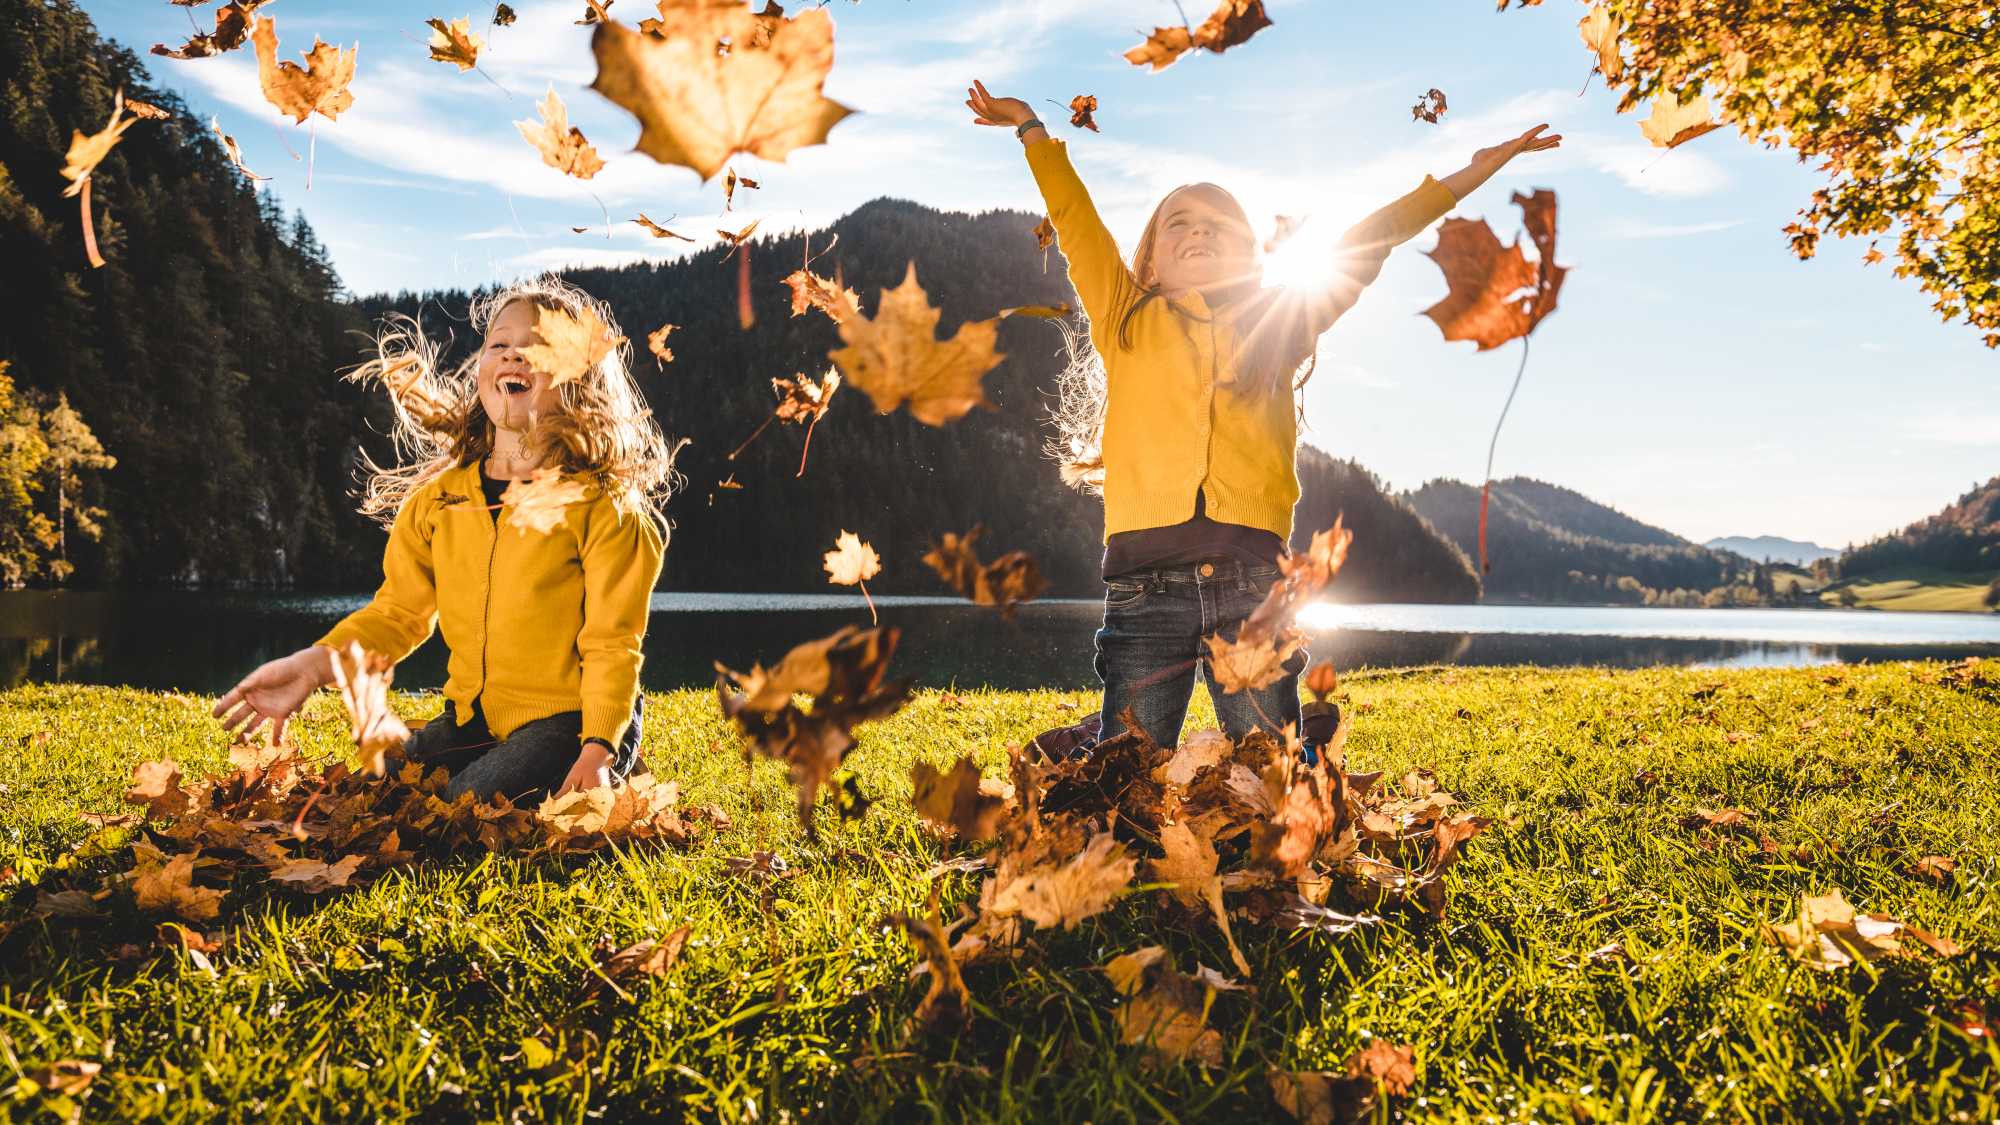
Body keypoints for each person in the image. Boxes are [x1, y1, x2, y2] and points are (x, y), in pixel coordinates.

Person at [967, 79, 1558, 754]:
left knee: (1269, 775)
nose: (1198, 231)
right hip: (1144, 585)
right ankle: (1092, 744)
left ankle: (1298, 743)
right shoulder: (1125, 316)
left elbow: (1368, 242)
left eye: (1218, 225)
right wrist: (1031, 129)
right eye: (1178, 224)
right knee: (1129, 766)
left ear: (1251, 255)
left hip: (1251, 583)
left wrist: (1469, 174)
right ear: (1150, 264)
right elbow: (1074, 219)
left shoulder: (1281, 324)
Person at [211, 276, 678, 805]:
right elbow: (397, 615)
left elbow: (612, 643)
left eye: (537, 348)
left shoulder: (604, 508)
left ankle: (600, 759)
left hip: (570, 724)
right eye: (498, 345)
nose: (512, 357)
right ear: (481, 369)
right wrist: (310, 665)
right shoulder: (441, 500)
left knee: (462, 806)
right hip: (473, 721)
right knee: (369, 789)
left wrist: (598, 749)